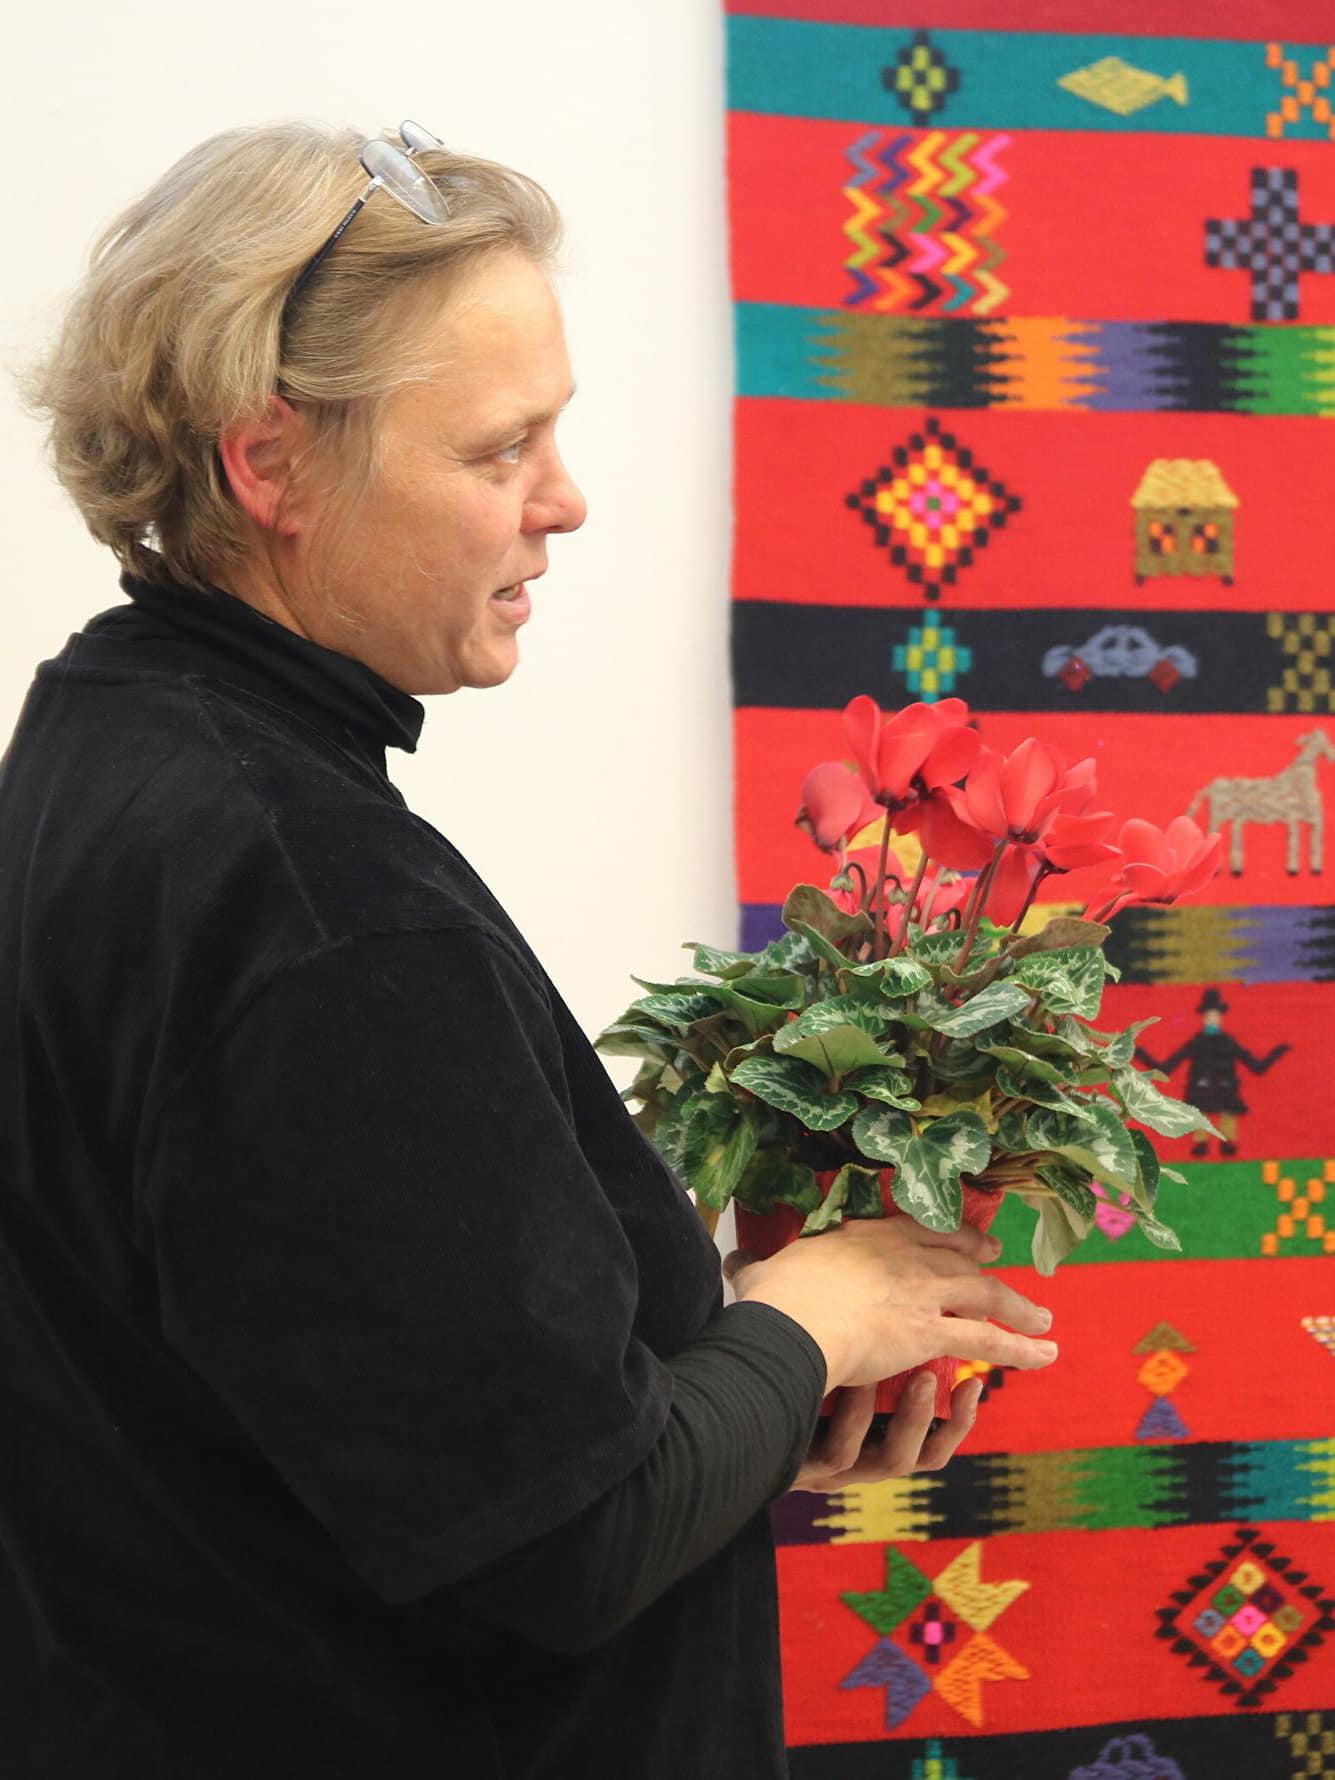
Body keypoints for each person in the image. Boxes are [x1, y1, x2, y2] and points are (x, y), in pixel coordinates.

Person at [0, 120, 1059, 1778]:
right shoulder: (320, 911)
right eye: (498, 450)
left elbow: (362, 1413)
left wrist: (745, 1400)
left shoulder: (100, 742)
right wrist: (815, 1315)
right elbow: (563, 1539)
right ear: (267, 464)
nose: (563, 502)